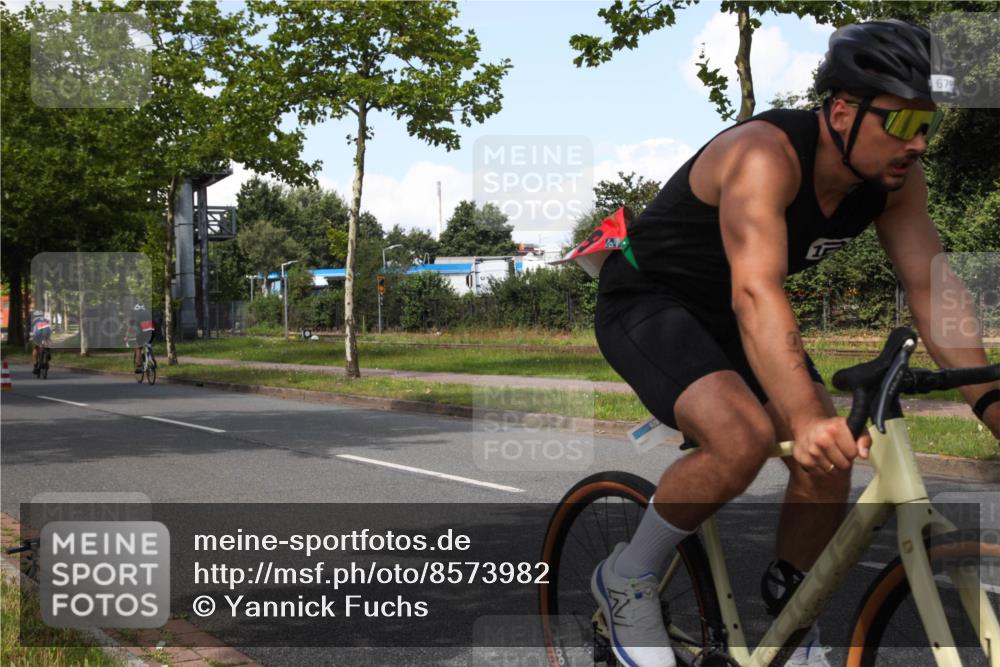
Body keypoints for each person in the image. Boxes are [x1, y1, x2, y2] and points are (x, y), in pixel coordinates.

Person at [589, 20, 1000, 667]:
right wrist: (803, 414)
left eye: (928, 125)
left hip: (733, 314)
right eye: (900, 123)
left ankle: (790, 615)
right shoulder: (765, 154)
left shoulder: (891, 181)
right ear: (841, 109)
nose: (917, 143)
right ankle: (628, 575)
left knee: (829, 454)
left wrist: (993, 406)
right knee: (743, 435)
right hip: (650, 300)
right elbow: (756, 291)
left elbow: (933, 292)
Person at [126, 302, 156, 373]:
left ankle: (139, 366)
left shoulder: (134, 316)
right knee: (148, 344)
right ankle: (152, 360)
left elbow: (130, 328)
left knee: (138, 347)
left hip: (142, 333)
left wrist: (127, 336)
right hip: (152, 332)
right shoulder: (148, 313)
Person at [30, 310, 52, 376]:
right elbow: (48, 328)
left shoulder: (33, 321)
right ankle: (48, 353)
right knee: (47, 342)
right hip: (47, 332)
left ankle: (35, 364)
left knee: (35, 347)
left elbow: (32, 331)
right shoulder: (46, 319)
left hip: (37, 333)